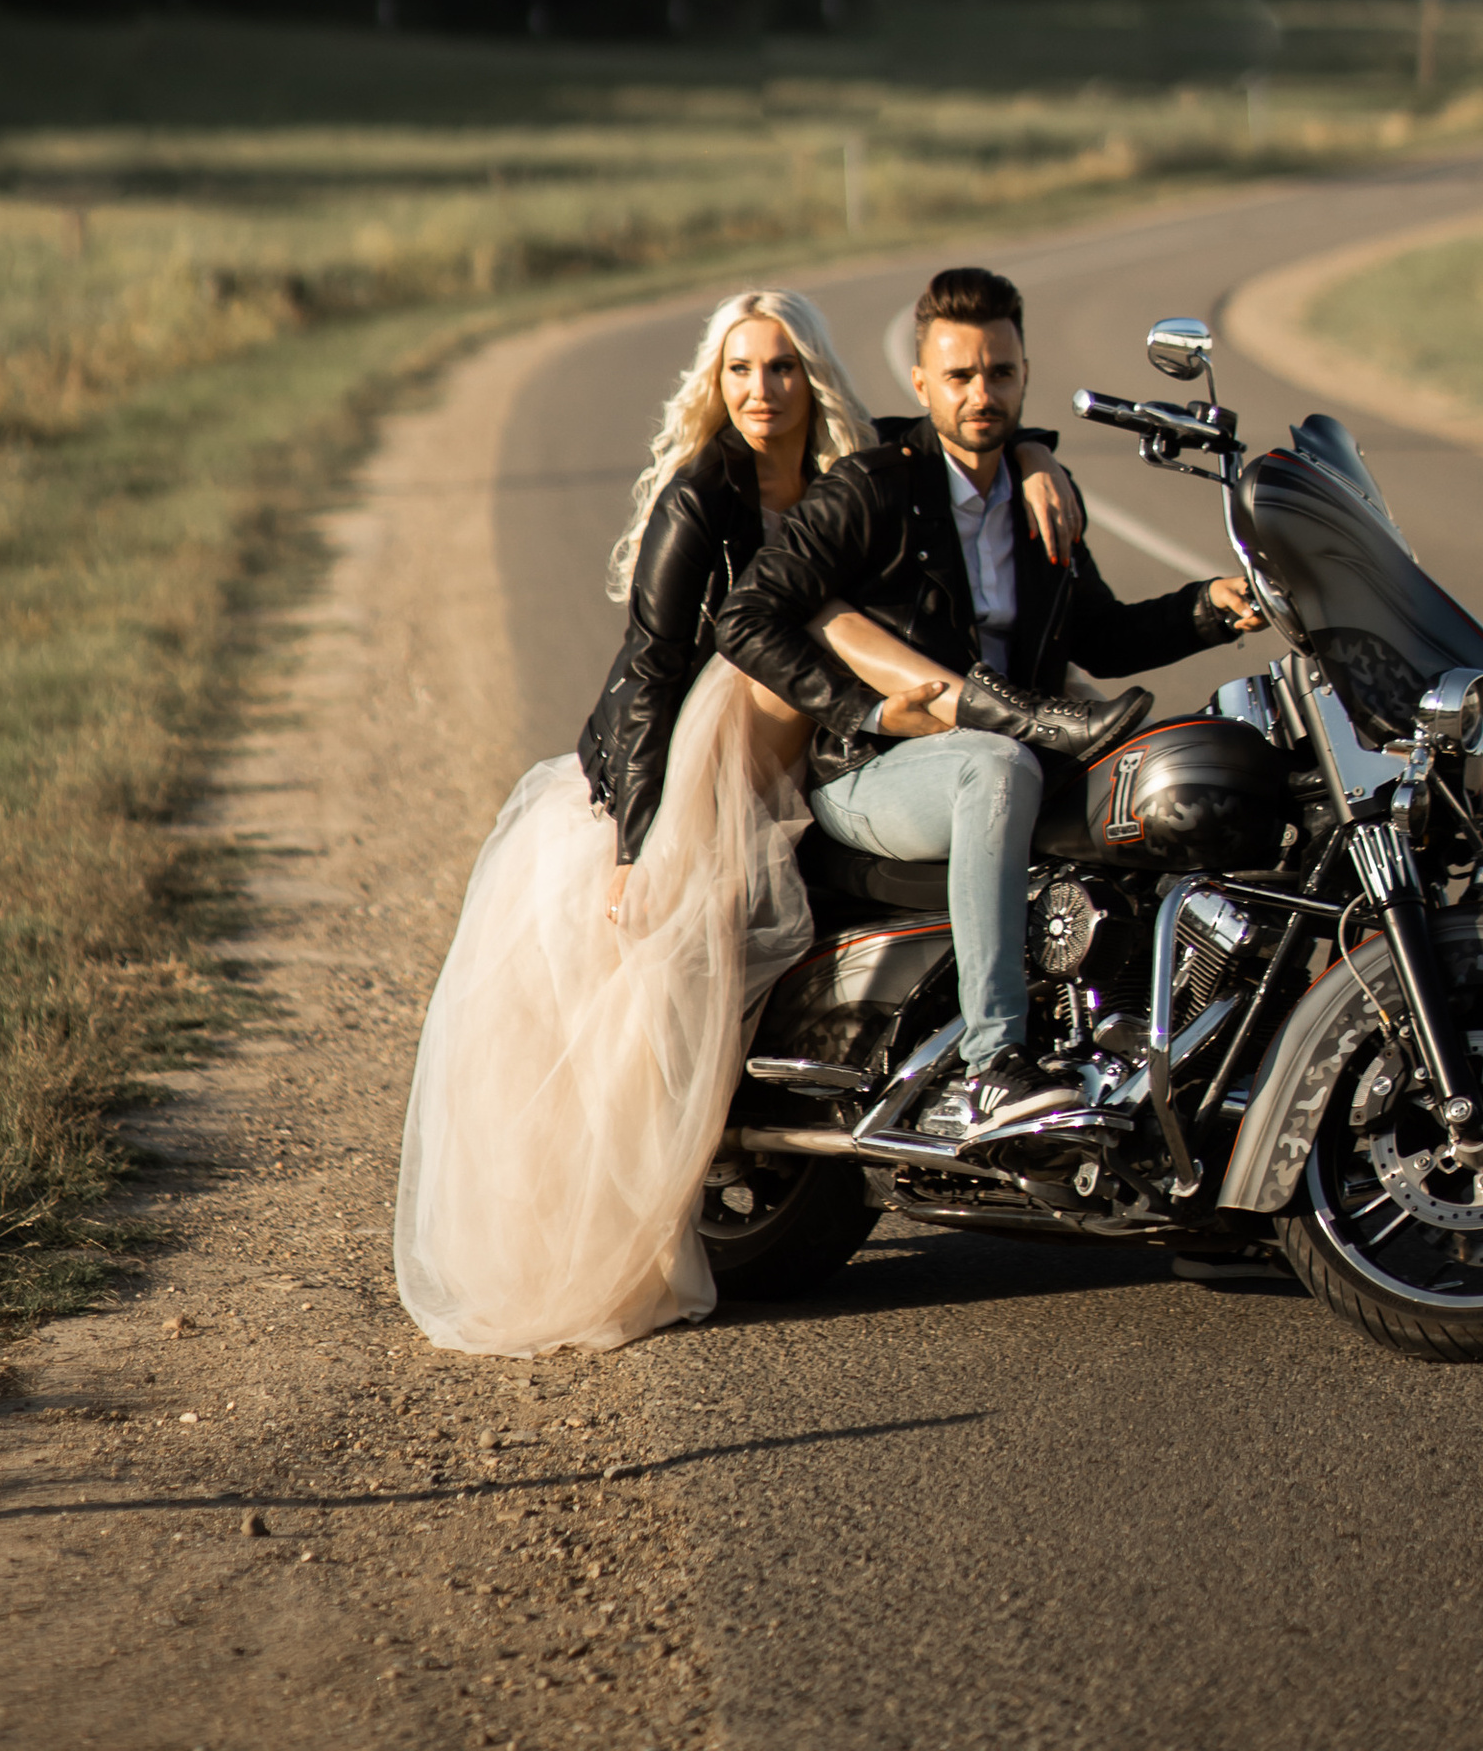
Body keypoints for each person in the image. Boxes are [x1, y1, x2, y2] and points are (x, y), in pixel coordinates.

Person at [391, 285, 1082, 1354]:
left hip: (813, 744)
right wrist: (636, 835)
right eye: (741, 369)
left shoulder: (851, 478)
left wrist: (1036, 455)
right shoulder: (698, 496)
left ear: (815, 378)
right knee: (681, 969)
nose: (763, 389)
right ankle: (622, 1208)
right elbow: (652, 672)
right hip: (697, 756)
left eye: (784, 367)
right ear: (716, 385)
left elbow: (949, 426)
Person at [717, 262, 1266, 1141]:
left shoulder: (1038, 497)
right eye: (962, 376)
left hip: (1011, 755)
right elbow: (747, 615)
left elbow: (1106, 636)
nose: (982, 394)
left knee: (1179, 778)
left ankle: (1166, 1057)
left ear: (1023, 377)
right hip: (876, 774)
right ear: (922, 381)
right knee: (998, 761)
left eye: (1000, 374)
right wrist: (861, 712)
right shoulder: (876, 487)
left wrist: (1217, 605)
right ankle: (992, 1064)